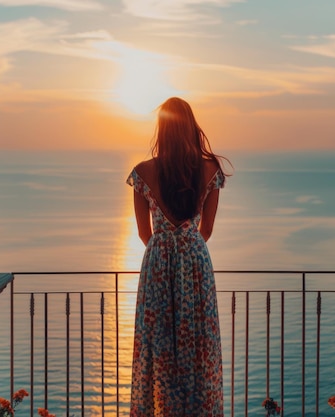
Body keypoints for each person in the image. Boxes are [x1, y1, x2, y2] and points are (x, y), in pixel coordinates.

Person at [126, 97, 230, 416]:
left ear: (162, 129)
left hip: (157, 264)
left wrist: (165, 251)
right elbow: (207, 229)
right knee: (200, 346)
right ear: (190, 127)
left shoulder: (143, 172)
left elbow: (145, 233)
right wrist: (186, 247)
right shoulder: (210, 169)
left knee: (158, 347)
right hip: (196, 260)